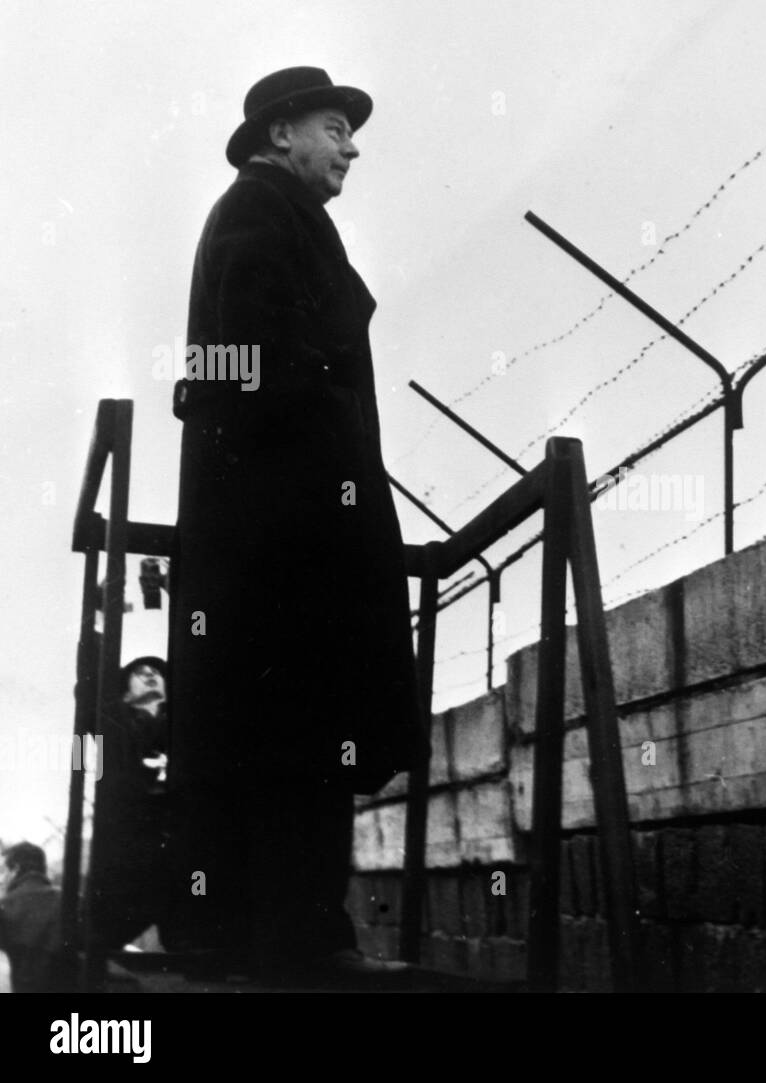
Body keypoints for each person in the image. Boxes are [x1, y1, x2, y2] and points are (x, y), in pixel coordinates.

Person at [168, 67, 425, 983]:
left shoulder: (269, 214)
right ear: (281, 134)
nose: (350, 146)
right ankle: (301, 941)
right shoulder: (258, 214)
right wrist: (321, 484)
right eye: (333, 127)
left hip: (278, 527)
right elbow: (248, 371)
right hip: (286, 533)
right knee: (299, 723)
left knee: (283, 724)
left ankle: (275, 934)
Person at [87, 656, 174, 954]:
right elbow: (88, 706)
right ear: (125, 692)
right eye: (140, 673)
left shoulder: (182, 720)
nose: (150, 676)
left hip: (175, 824)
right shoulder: (115, 723)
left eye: (156, 673)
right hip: (131, 826)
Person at [0, 842, 74, 993]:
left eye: (2, 871)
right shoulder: (72, 901)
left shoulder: (6, 907)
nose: (1, 880)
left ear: (15, 869)